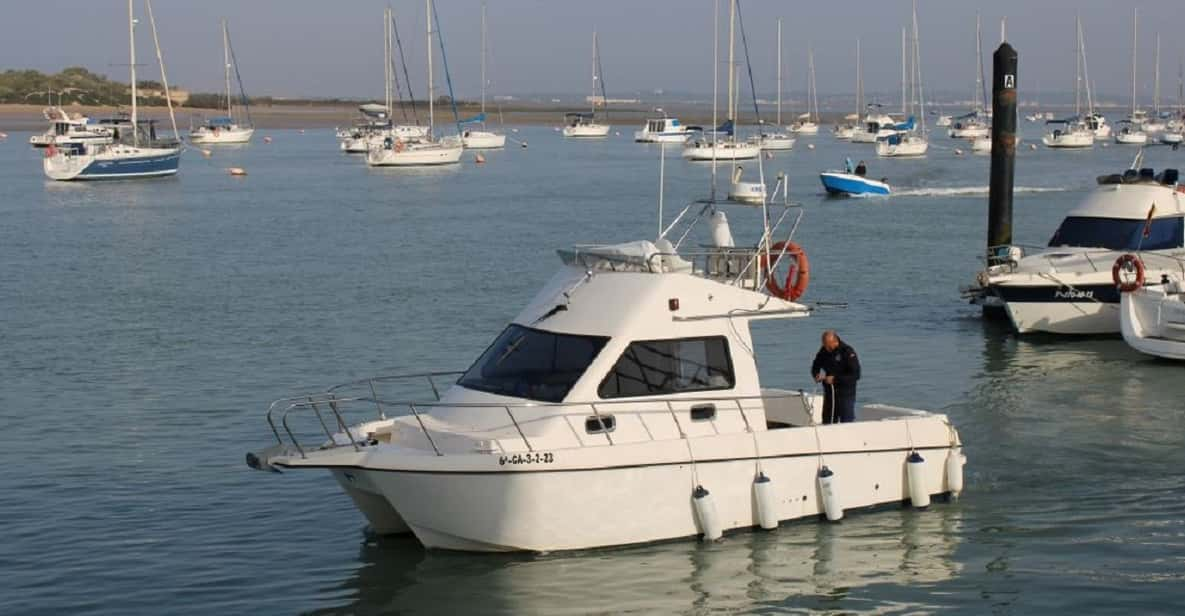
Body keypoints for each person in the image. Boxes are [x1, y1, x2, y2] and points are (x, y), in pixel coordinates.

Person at [810, 330, 861, 424]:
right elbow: (816, 365)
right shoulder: (824, 350)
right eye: (824, 345)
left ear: (835, 341)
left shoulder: (847, 351)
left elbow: (856, 375)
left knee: (846, 423)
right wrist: (816, 374)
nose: (826, 347)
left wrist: (835, 379)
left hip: (845, 394)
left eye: (828, 345)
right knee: (827, 422)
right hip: (830, 393)